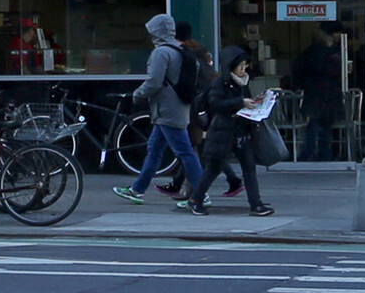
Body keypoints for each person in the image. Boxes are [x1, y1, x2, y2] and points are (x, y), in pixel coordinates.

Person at [112, 14, 204, 204]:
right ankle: (137, 190)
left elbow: (153, 82)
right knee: (155, 150)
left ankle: (201, 194)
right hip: (177, 107)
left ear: (156, 32)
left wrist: (138, 95)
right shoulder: (181, 50)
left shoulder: (161, 53)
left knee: (185, 152)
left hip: (166, 110)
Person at [182, 45, 273, 217]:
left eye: (245, 65)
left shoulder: (243, 82)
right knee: (213, 168)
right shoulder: (220, 83)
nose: (243, 69)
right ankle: (195, 199)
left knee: (248, 167)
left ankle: (256, 204)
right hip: (222, 132)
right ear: (231, 66)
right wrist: (241, 103)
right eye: (240, 66)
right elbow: (215, 105)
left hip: (240, 131)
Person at [155, 22, 242, 201]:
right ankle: (183, 186)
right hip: (204, 103)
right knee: (197, 148)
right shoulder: (198, 51)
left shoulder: (184, 53)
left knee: (195, 149)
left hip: (198, 105)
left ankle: (193, 189)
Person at [293, 25, 345, 161]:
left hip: (314, 93)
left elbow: (299, 69)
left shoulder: (311, 52)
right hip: (328, 94)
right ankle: (323, 154)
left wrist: (300, 85)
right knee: (324, 127)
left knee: (315, 126)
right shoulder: (333, 53)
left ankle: (310, 153)